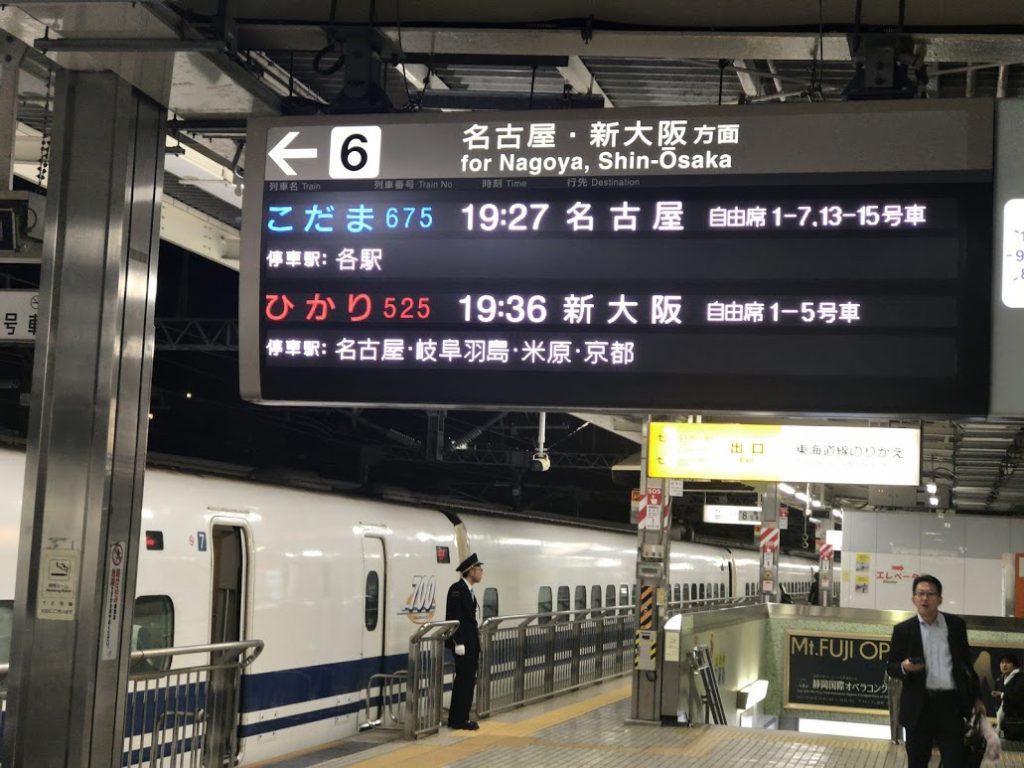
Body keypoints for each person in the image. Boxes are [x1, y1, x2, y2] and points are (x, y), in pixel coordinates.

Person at [886, 574, 985, 768]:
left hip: (951, 705)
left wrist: (977, 698)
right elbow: (891, 667)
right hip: (919, 708)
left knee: (955, 761)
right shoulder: (904, 630)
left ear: (939, 599)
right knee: (917, 761)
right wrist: (904, 667)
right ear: (913, 599)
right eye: (920, 594)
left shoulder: (955, 626)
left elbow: (966, 665)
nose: (925, 598)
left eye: (930, 594)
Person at [445, 552, 484, 730]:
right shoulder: (457, 590)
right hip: (463, 645)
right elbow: (454, 618)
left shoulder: (468, 591)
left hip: (470, 643)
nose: (481, 572)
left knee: (468, 680)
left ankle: (459, 717)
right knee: (464, 680)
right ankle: (459, 719)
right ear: (470, 571)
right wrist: (458, 642)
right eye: (479, 568)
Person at [994, 652, 1024, 736]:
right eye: (1002, 662)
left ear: (1014, 665)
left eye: (1007, 662)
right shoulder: (999, 680)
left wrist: (1002, 695)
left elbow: (1018, 697)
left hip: (1017, 723)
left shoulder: (1021, 679)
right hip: (1004, 723)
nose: (1004, 665)